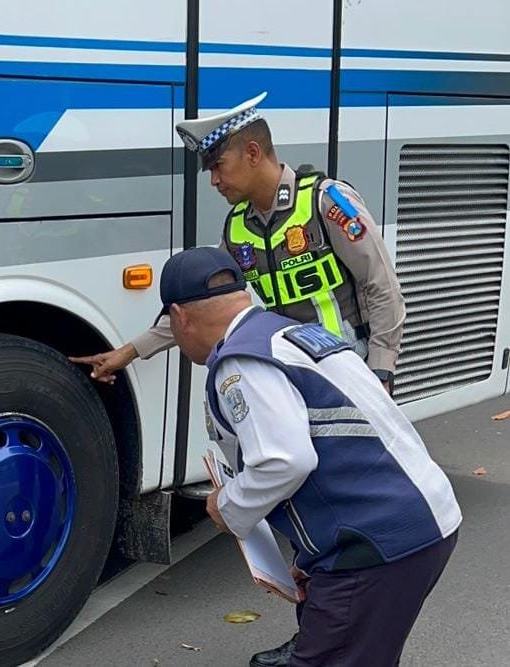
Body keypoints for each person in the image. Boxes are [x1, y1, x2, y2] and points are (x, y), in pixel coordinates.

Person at [160, 246, 460, 667]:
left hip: (375, 544)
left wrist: (226, 506)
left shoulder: (240, 362)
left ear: (180, 316)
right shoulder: (288, 335)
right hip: (418, 524)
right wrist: (313, 554)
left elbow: (285, 461)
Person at [72, 91, 404, 398]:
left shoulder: (326, 202)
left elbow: (380, 285)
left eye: (219, 166)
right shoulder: (238, 228)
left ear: (253, 153)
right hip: (294, 376)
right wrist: (127, 353)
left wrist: (380, 372)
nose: (214, 180)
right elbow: (198, 304)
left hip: (349, 372)